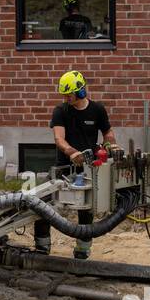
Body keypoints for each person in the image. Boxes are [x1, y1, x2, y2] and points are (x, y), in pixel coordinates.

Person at [33, 70, 116, 260]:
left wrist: (111, 144)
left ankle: (82, 249)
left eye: (68, 94)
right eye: (63, 94)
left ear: (80, 92)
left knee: (86, 210)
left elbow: (108, 132)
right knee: (41, 203)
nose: (65, 98)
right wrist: (72, 153)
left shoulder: (97, 110)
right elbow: (58, 138)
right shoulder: (61, 111)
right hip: (63, 169)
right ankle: (42, 246)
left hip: (88, 170)